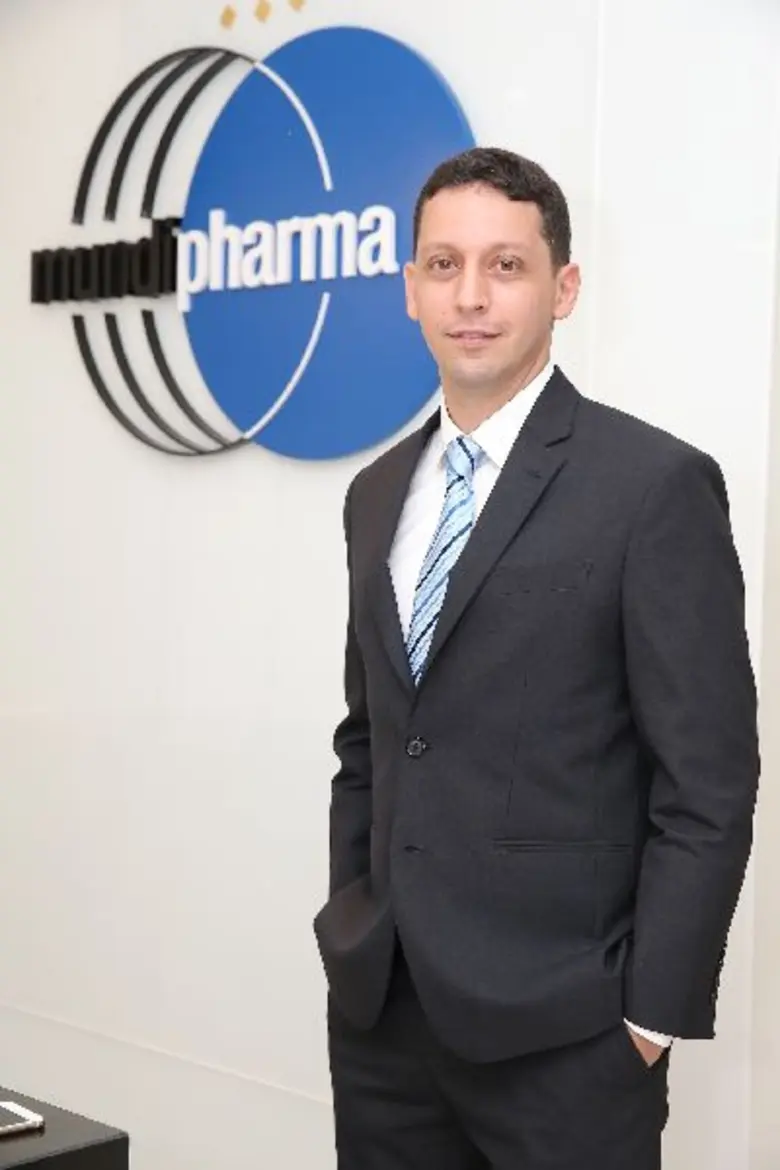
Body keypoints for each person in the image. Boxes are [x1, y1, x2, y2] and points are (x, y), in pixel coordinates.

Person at [313, 146, 760, 1170]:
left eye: (505, 266)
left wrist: (651, 1016)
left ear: (564, 288)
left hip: (571, 1038)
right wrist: (353, 923)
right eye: (444, 265)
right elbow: (371, 740)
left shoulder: (652, 485)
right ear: (410, 289)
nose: (470, 296)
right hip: (385, 1023)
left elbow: (708, 780)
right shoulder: (375, 495)